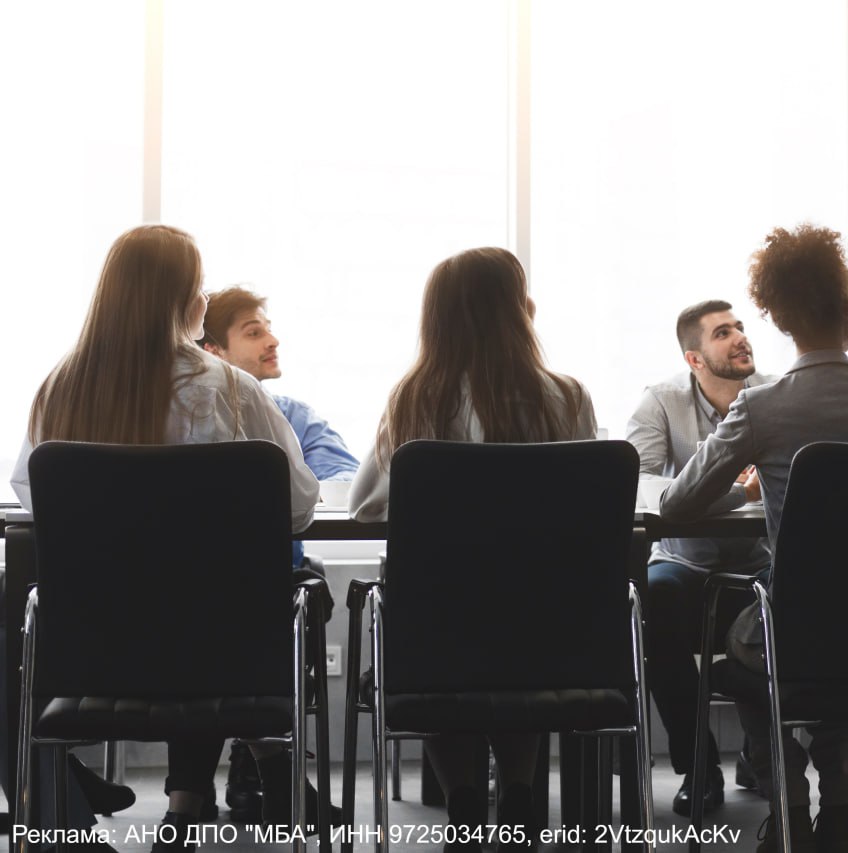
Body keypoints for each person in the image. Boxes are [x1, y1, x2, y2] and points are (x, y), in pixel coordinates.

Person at [8, 225, 322, 850]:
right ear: (190, 303)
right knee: (259, 589)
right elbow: (298, 508)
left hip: (94, 657)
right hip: (223, 652)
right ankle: (258, 785)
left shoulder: (60, 391)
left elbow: (34, 495)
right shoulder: (234, 393)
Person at [659, 224, 848, 853]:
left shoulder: (763, 406)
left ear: (776, 319)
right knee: (825, 640)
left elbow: (675, 504)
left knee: (759, 639)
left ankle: (793, 803)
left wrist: (743, 488)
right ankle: (846, 807)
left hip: (798, 621)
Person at [348, 246, 596, 848]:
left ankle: (462, 798)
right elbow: (586, 506)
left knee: (444, 623)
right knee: (516, 629)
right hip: (547, 630)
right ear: (518, 311)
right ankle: (517, 789)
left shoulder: (413, 401)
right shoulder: (565, 397)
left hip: (438, 630)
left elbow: (363, 507)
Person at [198, 285, 358, 822]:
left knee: (302, 590)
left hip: (261, 580)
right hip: (222, 588)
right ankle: (262, 760)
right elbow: (307, 494)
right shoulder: (197, 407)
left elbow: (343, 482)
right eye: (253, 332)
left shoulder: (290, 412)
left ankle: (225, 770)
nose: (272, 340)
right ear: (213, 352)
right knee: (284, 599)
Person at [625, 299, 774, 816]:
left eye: (740, 327)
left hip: (758, 562)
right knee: (656, 602)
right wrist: (734, 493)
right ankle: (699, 765)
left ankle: (762, 751)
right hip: (683, 562)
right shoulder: (661, 401)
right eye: (722, 333)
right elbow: (638, 484)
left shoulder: (775, 394)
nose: (739, 338)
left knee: (797, 596)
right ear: (694, 359)